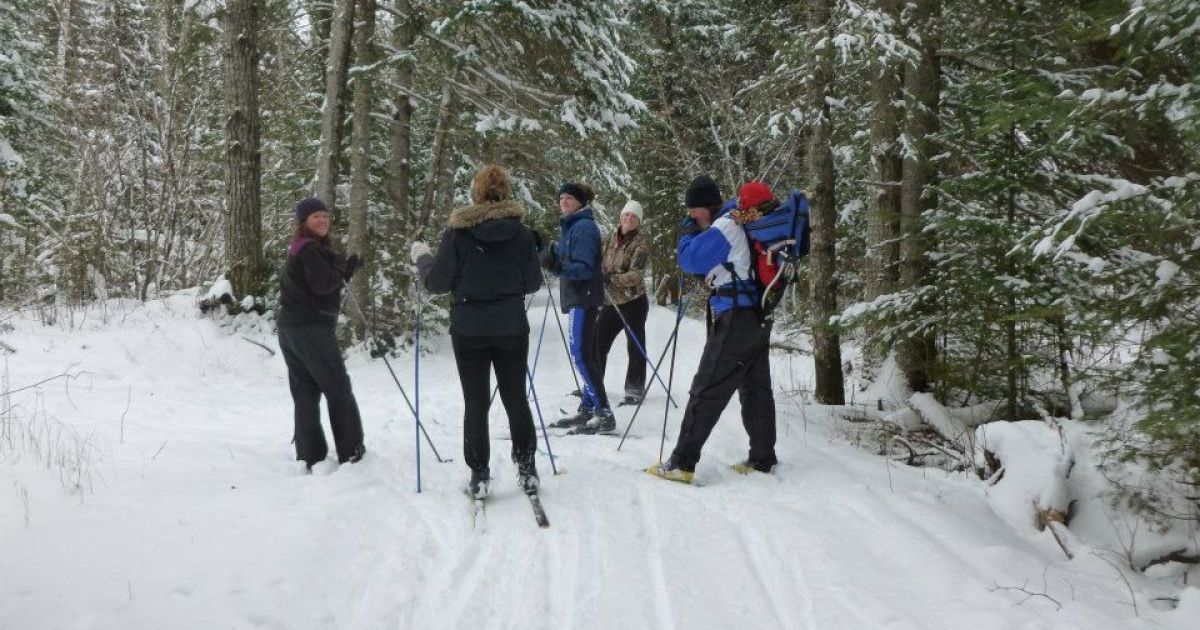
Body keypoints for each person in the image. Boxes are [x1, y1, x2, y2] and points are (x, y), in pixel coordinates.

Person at [410, 165, 543, 499]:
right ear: (506, 192)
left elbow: (437, 283)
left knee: (476, 402)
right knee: (516, 398)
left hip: (469, 328)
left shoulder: (458, 232)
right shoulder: (521, 233)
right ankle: (526, 468)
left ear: (476, 193)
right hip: (511, 325)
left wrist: (423, 258)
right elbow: (532, 283)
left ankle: (479, 474)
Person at [646, 177, 778, 484]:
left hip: (736, 318)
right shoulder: (738, 220)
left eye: (694, 209)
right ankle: (762, 458)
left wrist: (688, 233)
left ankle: (682, 463)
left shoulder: (726, 225)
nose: (691, 214)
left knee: (706, 388)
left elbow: (689, 259)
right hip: (756, 314)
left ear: (708, 205)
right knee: (755, 387)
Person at [277, 196, 366, 472]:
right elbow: (324, 284)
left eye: (325, 216)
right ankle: (351, 451)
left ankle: (310, 454)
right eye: (316, 216)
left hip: (291, 328)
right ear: (303, 221)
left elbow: (323, 283)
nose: (323, 220)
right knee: (338, 387)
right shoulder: (309, 249)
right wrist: (340, 263)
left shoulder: (303, 248)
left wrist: (345, 267)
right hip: (311, 329)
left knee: (305, 390)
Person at [541, 182, 617, 433]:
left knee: (582, 354)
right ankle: (588, 408)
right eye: (561, 197)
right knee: (587, 353)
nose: (564, 201)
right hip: (579, 297)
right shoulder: (572, 226)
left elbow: (583, 268)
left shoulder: (583, 227)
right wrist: (550, 254)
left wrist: (555, 265)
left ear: (581, 202)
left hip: (583, 297)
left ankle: (603, 412)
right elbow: (566, 259)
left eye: (569, 198)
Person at [593, 200, 650, 407]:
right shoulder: (609, 239)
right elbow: (599, 262)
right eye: (626, 215)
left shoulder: (640, 244)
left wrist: (612, 279)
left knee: (635, 345)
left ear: (638, 221)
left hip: (633, 302)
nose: (629, 219)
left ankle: (634, 389)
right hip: (611, 302)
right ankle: (594, 383)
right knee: (598, 341)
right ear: (620, 217)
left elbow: (636, 275)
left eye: (634, 216)